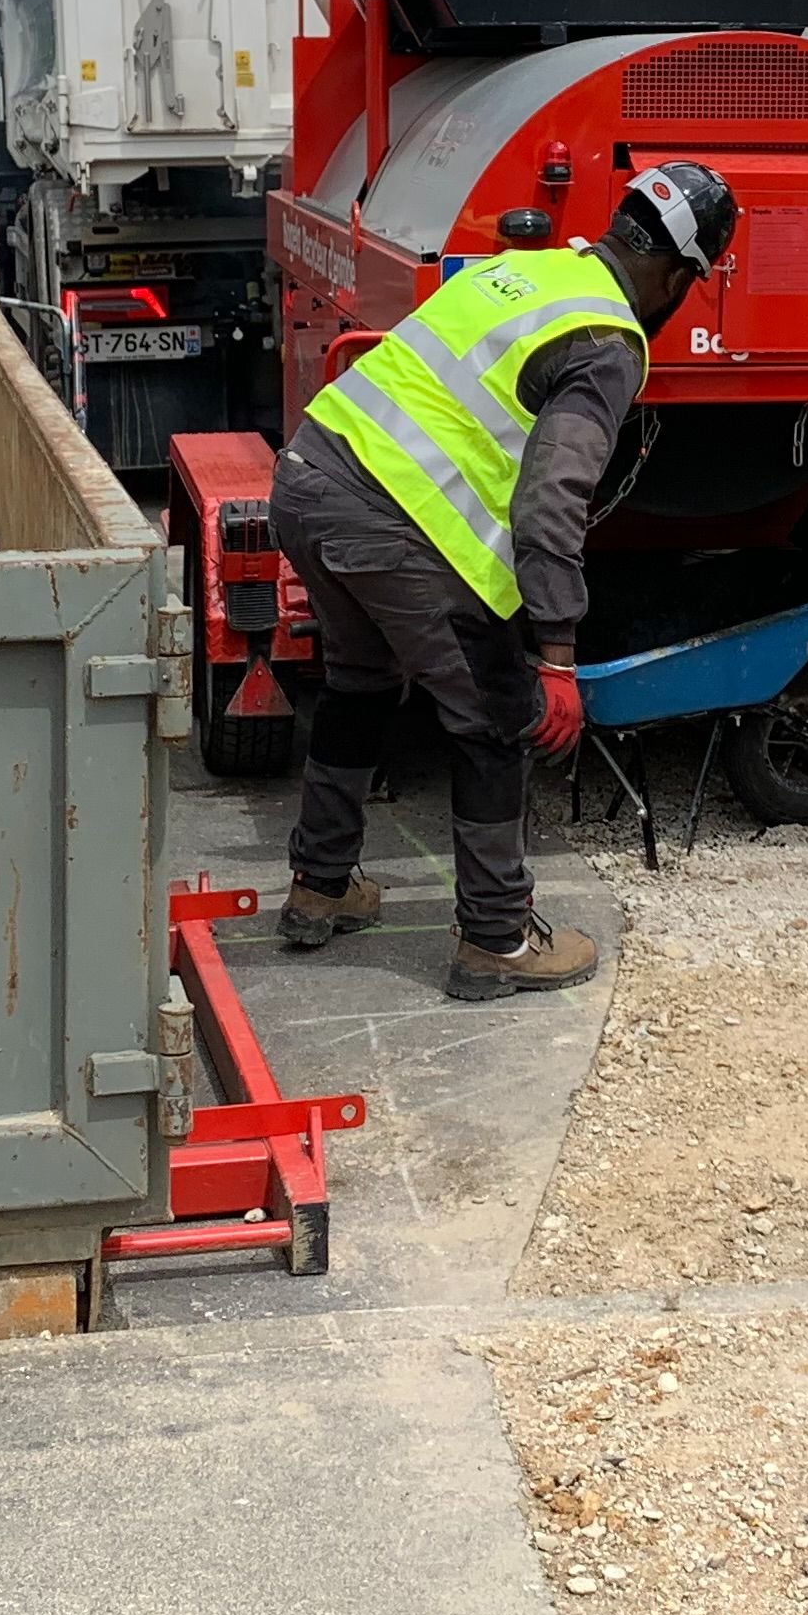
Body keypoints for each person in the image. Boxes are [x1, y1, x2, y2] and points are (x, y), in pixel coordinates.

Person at [268, 160, 738, 1002]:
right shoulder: (607, 342)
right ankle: (495, 939)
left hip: (308, 476)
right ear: (678, 273)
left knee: (360, 682)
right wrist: (555, 658)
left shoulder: (528, 271)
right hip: (393, 521)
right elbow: (552, 503)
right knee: (496, 720)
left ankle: (321, 886)